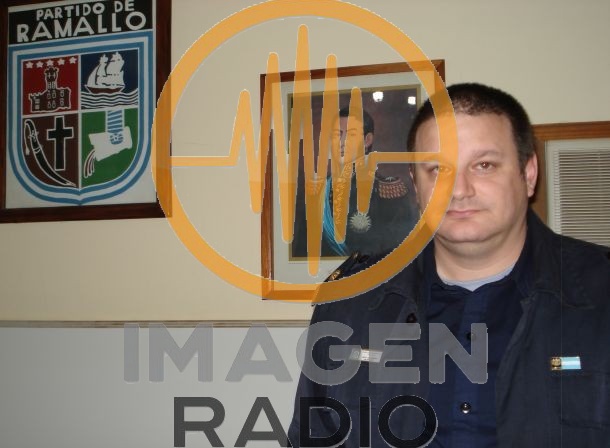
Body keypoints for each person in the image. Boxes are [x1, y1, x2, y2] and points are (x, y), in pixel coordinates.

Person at [288, 83, 610, 447]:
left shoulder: (600, 294)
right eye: (438, 169)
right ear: (416, 185)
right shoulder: (350, 301)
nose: (459, 190)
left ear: (529, 173)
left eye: (484, 165)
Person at [291, 106, 418, 259]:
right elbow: (302, 255)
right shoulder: (317, 191)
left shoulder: (387, 191)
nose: (342, 142)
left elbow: (402, 254)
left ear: (367, 140)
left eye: (351, 135)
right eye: (337, 135)